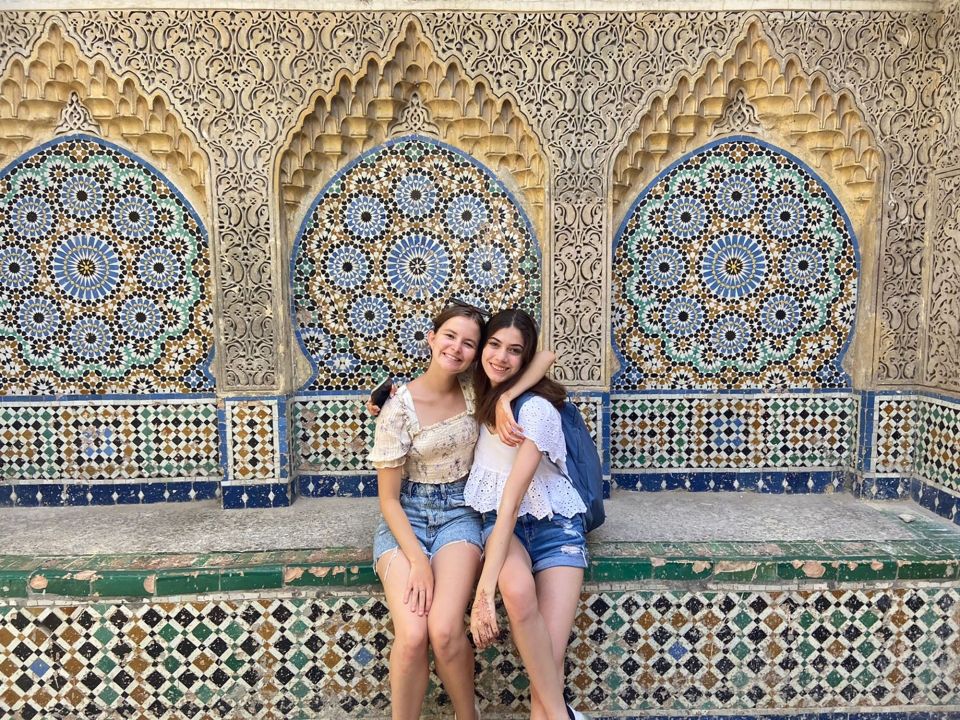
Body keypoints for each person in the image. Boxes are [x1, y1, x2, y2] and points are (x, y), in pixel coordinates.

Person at [368, 302, 554, 720]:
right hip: (406, 518)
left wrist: (506, 396)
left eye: (470, 342)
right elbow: (388, 501)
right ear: (431, 338)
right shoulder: (398, 408)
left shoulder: (477, 387)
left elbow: (543, 356)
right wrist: (417, 560)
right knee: (414, 634)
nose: (457, 348)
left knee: (446, 629)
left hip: (459, 512)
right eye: (449, 336)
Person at [465, 309, 588, 720]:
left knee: (547, 666)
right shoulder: (475, 394)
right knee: (517, 593)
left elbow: (511, 503)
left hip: (555, 527)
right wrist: (385, 399)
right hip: (505, 530)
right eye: (494, 345)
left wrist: (483, 593)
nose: (501, 357)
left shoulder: (535, 411)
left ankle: (556, 715)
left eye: (515, 351)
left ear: (524, 357)